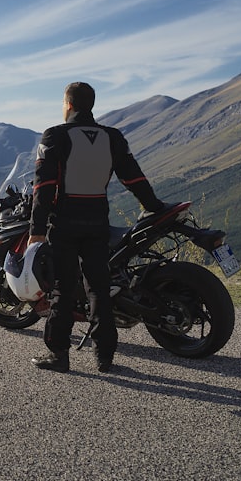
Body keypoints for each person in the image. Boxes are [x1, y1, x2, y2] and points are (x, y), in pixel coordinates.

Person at [28, 82, 164, 373]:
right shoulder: (112, 137)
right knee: (99, 289)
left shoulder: (55, 135)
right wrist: (154, 206)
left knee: (63, 290)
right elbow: (133, 178)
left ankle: (59, 356)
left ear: (69, 104)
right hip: (97, 223)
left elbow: (44, 185)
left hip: (63, 224)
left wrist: (36, 230)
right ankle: (104, 358)